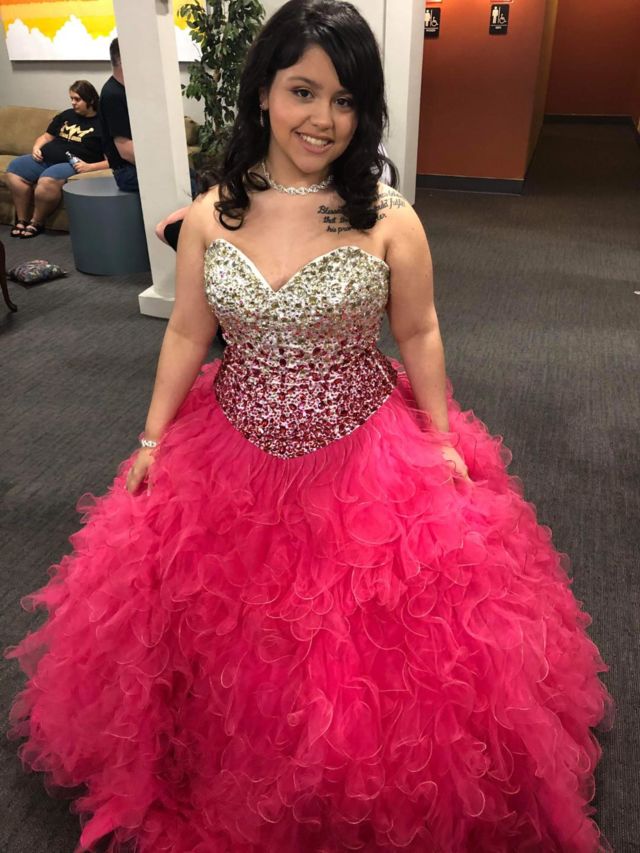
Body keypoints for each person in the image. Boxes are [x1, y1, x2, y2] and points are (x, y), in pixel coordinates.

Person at [7, 2, 611, 851]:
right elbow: (186, 332)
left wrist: (441, 435)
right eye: (303, 91)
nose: (323, 118)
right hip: (230, 448)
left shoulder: (388, 216)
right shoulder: (212, 214)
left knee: (378, 663)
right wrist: (149, 439)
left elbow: (419, 331)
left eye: (345, 99)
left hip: (364, 458)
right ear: (263, 92)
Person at [6, 81, 108, 238]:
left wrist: (89, 167)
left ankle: (37, 222)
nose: (73, 103)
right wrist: (36, 147)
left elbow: (111, 160)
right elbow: (46, 137)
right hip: (45, 158)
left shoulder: (103, 123)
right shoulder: (66, 115)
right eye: (71, 99)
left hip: (69, 163)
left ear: (91, 100)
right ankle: (22, 219)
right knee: (14, 169)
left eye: (77, 99)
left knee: (46, 181)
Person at [100, 38, 138, 192]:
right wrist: (163, 167)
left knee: (197, 179)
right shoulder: (113, 95)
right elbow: (126, 151)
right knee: (189, 186)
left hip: (138, 166)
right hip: (127, 171)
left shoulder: (130, 91)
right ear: (123, 60)